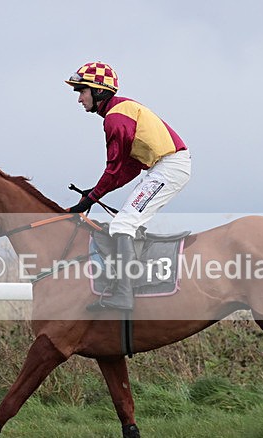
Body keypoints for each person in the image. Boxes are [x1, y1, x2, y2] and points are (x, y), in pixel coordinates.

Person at [65, 61, 191, 312]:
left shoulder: (115, 119)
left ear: (98, 91)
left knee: (123, 224)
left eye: (82, 91)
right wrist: (94, 193)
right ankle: (134, 279)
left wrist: (87, 201)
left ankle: (123, 294)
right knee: (127, 222)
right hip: (163, 166)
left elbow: (113, 170)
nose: (79, 99)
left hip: (169, 166)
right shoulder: (120, 111)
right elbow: (129, 167)